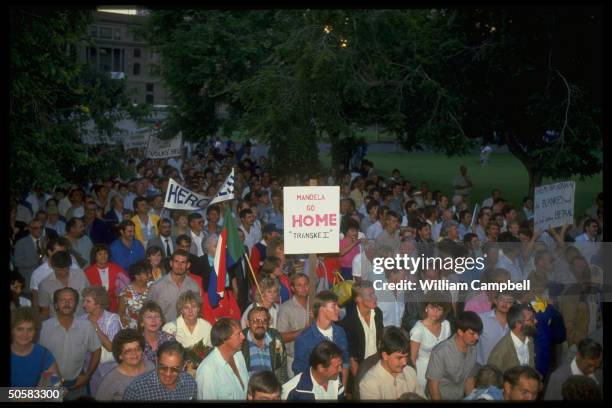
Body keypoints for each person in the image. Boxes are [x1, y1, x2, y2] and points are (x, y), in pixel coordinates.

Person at [39, 287, 101, 400]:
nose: (67, 303)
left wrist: (87, 376)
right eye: (62, 300)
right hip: (50, 386)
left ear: (76, 304)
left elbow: (97, 350)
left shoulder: (86, 327)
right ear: (56, 304)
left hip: (77, 384)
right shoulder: (43, 327)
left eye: (71, 300)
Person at [292, 291, 350, 388]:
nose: (338, 309)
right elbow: (300, 372)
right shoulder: (304, 338)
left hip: (337, 387)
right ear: (321, 309)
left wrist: (342, 389)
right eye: (333, 306)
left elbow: (345, 362)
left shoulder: (340, 332)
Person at [425, 311, 482, 400]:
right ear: (460, 332)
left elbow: (469, 379)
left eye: (478, 333)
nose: (477, 337)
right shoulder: (440, 352)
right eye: (472, 333)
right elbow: (433, 387)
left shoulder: (473, 348)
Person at [359, 326, 424, 400]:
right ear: (385, 355)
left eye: (406, 357)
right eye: (399, 358)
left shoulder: (410, 372)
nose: (405, 362)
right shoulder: (369, 384)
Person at [80, 286, 122, 396]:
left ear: (98, 303)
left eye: (88, 301)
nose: (84, 304)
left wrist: (94, 325)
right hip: (90, 369)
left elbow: (110, 347)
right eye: (84, 300)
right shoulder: (81, 319)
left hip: (110, 368)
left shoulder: (112, 319)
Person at [338, 280, 384, 380]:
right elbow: (352, 359)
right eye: (370, 295)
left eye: (374, 294)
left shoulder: (378, 313)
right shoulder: (349, 322)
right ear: (358, 299)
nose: (374, 298)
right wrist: (358, 383)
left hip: (379, 366)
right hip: (361, 369)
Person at [123, 340, 197, 400]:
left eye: (175, 369)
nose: (168, 374)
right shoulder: (136, 390)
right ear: (156, 361)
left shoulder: (190, 383)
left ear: (183, 365)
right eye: (163, 367)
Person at [196, 318, 250, 400]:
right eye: (238, 334)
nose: (243, 337)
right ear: (224, 339)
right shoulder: (208, 371)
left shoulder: (238, 355)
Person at [95, 328, 155, 401]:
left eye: (137, 349)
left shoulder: (151, 367)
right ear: (120, 355)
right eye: (128, 351)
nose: (134, 354)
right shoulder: (111, 380)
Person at [162, 290, 213, 372]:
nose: (190, 311)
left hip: (203, 370)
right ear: (181, 310)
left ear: (198, 309)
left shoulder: (207, 326)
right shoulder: (170, 328)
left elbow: (211, 351)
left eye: (193, 306)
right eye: (186, 307)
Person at [409, 292, 452, 389]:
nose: (435, 312)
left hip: (442, 371)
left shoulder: (446, 325)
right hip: (422, 373)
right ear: (426, 308)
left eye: (439, 309)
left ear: (444, 311)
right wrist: (413, 379)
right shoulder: (418, 330)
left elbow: (448, 351)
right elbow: (412, 358)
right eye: (432, 307)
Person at [148, 249, 202, 322]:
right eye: (176, 262)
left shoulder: (194, 286)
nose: (179, 266)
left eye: (183, 262)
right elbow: (149, 311)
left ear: (188, 265)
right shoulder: (158, 286)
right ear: (171, 263)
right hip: (164, 331)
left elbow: (197, 312)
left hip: (186, 331)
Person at [11, 307, 59, 387]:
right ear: (11, 330)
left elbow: (57, 390)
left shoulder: (44, 355)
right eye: (20, 329)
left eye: (30, 329)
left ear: (35, 331)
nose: (25, 335)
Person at [241, 306, 288, 384]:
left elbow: (282, 368)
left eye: (264, 321)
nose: (261, 324)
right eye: (256, 321)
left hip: (272, 389)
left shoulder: (276, 339)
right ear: (248, 323)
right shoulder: (241, 342)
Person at [277, 273, 312, 379]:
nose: (303, 288)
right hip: (295, 359)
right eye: (299, 285)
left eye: (305, 284)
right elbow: (280, 337)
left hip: (315, 358)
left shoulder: (315, 304)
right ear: (292, 288)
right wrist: (305, 330)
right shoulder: (285, 308)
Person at [37, 250, 89, 320]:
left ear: (69, 266)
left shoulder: (81, 275)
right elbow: (44, 311)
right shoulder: (44, 284)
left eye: (65, 269)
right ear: (52, 266)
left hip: (81, 321)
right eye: (58, 270)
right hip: (57, 325)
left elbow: (89, 298)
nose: (63, 273)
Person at [487, 303, 536, 373]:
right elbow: (491, 380)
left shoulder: (530, 340)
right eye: (530, 320)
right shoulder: (500, 351)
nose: (536, 321)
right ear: (518, 324)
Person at [84, 244, 127, 313]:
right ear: (95, 256)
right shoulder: (87, 272)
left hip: (116, 306)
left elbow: (126, 289)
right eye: (100, 254)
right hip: (95, 307)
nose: (103, 256)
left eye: (105, 253)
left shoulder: (117, 269)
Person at [476, 292, 513, 365]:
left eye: (509, 301)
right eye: (502, 299)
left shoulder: (515, 323)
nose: (505, 304)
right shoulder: (481, 319)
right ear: (495, 301)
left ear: (513, 304)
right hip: (483, 368)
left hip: (506, 370)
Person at [118, 261, 152, 329]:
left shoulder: (153, 287)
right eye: (147, 273)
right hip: (132, 330)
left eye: (150, 273)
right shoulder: (125, 292)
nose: (150, 275)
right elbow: (121, 314)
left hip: (151, 326)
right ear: (137, 276)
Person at [14, 218, 47, 289]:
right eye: (36, 228)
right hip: (28, 281)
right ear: (30, 229)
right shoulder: (21, 243)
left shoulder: (46, 241)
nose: (39, 230)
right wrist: (36, 259)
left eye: (41, 227)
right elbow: (17, 262)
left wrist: (45, 249)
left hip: (44, 281)